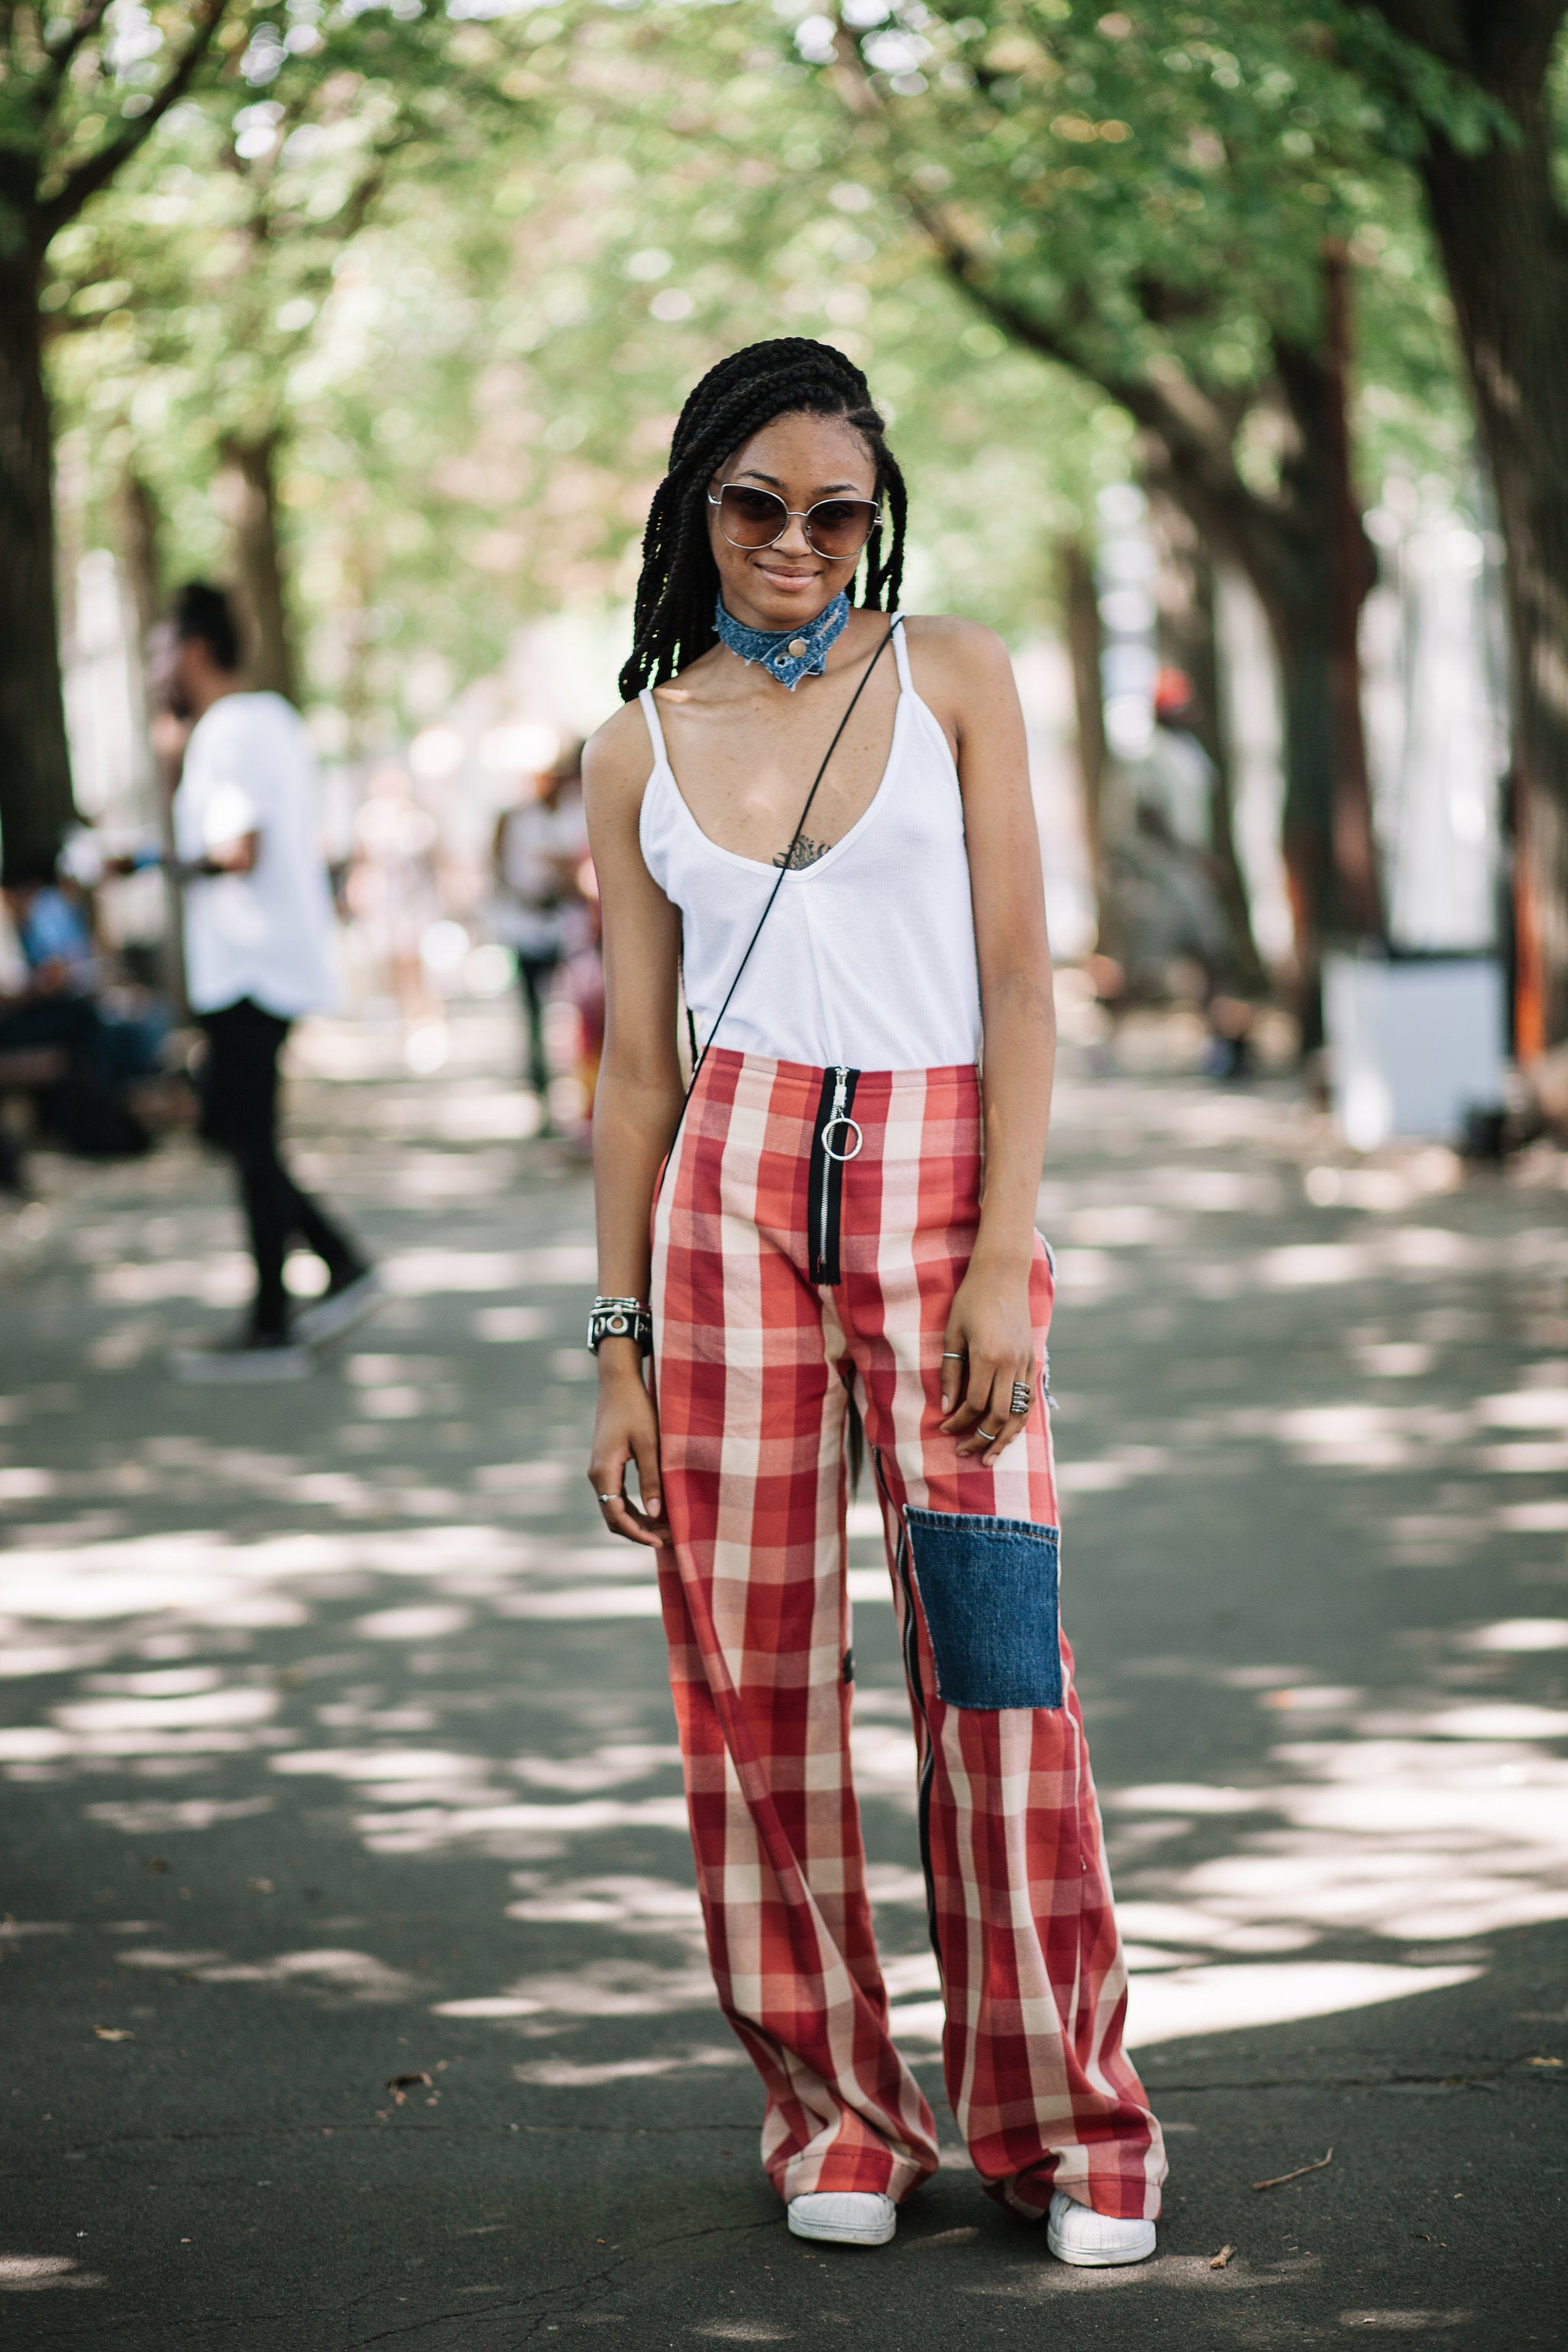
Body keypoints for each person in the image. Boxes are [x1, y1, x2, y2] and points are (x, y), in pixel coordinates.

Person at [581, 341, 1164, 2263]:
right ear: (695, 504)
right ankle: (832, 2107)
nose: (797, 544)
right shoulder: (635, 742)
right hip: (725, 1196)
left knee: (1000, 1669)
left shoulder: (956, 677)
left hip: (934, 1189)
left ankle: (1068, 2121)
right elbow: (637, 1077)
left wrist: (1008, 1248)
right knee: (749, 1686)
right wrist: (618, 1348)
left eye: (837, 511)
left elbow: (1015, 976)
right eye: (757, 505)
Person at [161, 583, 379, 1379]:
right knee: (232, 1129)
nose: (158, 668)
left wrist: (144, 862)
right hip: (268, 962)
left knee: (245, 1137)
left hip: (248, 968)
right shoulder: (270, 720)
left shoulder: (228, 728)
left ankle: (276, 1318)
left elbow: (234, 849)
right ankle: (329, 1268)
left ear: (189, 651)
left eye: (159, 651)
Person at [490, 746, 586, 1106]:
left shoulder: (577, 815)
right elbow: (500, 868)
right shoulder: (515, 818)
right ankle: (541, 1084)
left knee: (571, 1009)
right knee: (534, 1010)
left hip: (567, 928)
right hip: (526, 925)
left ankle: (573, 1086)